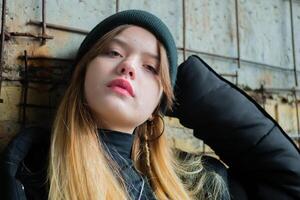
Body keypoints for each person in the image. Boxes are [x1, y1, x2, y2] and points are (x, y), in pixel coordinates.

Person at [0, 9, 300, 200]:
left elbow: (289, 185)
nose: (128, 66)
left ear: (161, 101)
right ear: (82, 74)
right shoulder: (30, 174)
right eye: (113, 53)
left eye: (151, 68)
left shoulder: (200, 184)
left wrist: (195, 94)